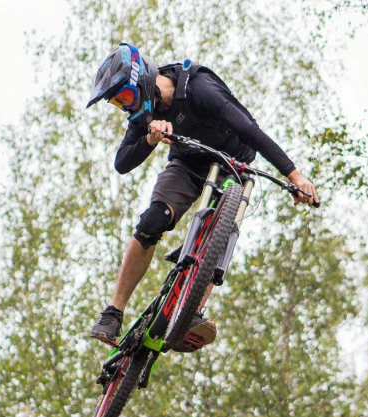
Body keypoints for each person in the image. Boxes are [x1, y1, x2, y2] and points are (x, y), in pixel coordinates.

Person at [86, 42, 319, 351]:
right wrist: (150, 139)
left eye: (125, 97)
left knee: (222, 231)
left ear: (141, 79)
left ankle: (192, 313)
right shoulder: (145, 113)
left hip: (232, 166)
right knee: (152, 220)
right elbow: (122, 163)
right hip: (186, 164)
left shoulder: (199, 88)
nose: (126, 107)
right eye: (118, 104)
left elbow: (251, 132)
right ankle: (113, 312)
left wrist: (294, 175)